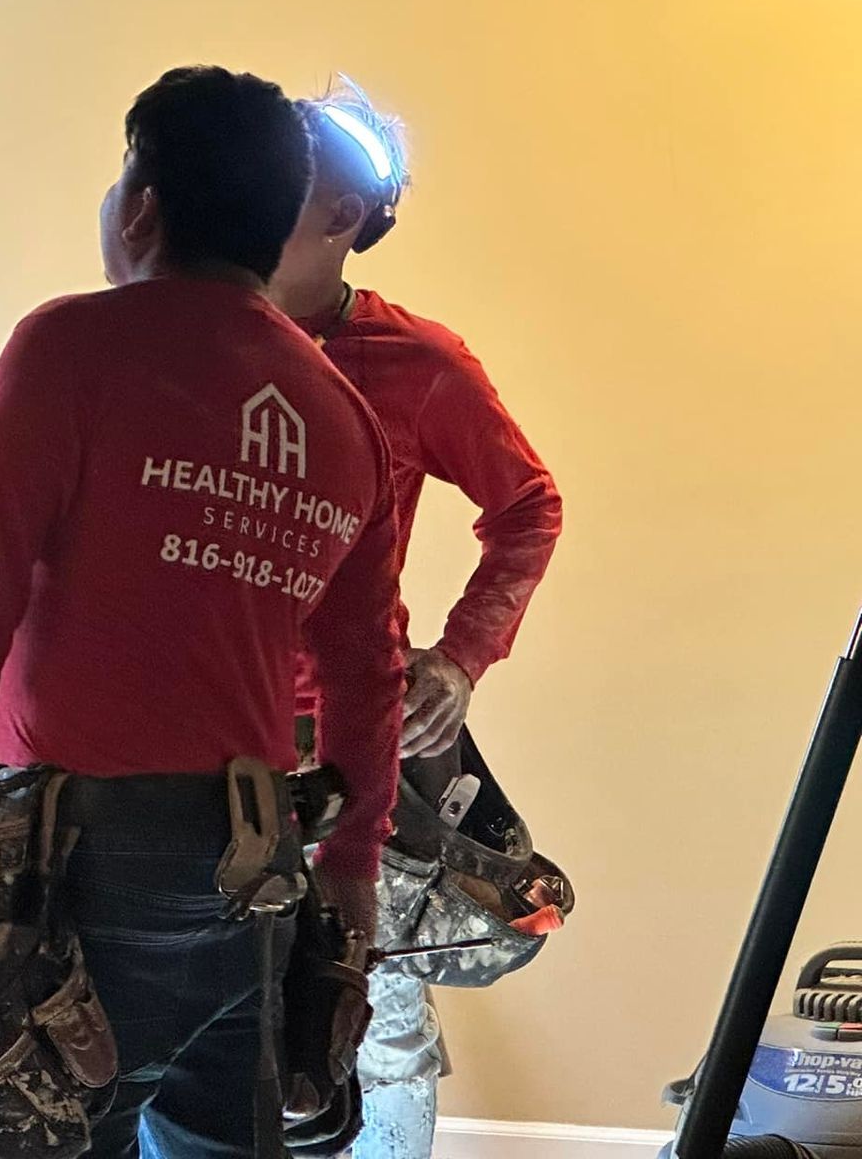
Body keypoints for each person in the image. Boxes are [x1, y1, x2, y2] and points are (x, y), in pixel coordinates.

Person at [0, 66, 407, 1159]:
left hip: (85, 858)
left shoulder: (74, 347)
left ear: (142, 203)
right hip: (257, 864)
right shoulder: (341, 418)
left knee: (16, 1129)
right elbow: (366, 668)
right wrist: (353, 866)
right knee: (217, 1138)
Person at [267, 83, 564, 1159]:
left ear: (342, 219)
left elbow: (527, 505)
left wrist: (462, 659)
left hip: (352, 742)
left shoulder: (417, 364)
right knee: (206, 1006)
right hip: (195, 736)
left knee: (367, 1014)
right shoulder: (187, 339)